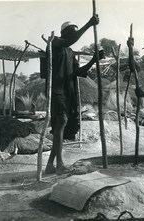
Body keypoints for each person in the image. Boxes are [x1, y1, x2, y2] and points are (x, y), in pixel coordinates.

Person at [45, 15, 104, 175]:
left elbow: (79, 72)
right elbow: (67, 41)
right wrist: (89, 24)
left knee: (61, 128)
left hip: (68, 92)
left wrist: (93, 60)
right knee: (62, 122)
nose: (74, 36)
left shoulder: (70, 52)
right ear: (64, 33)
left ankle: (50, 164)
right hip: (57, 91)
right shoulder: (55, 42)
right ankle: (60, 165)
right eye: (72, 33)